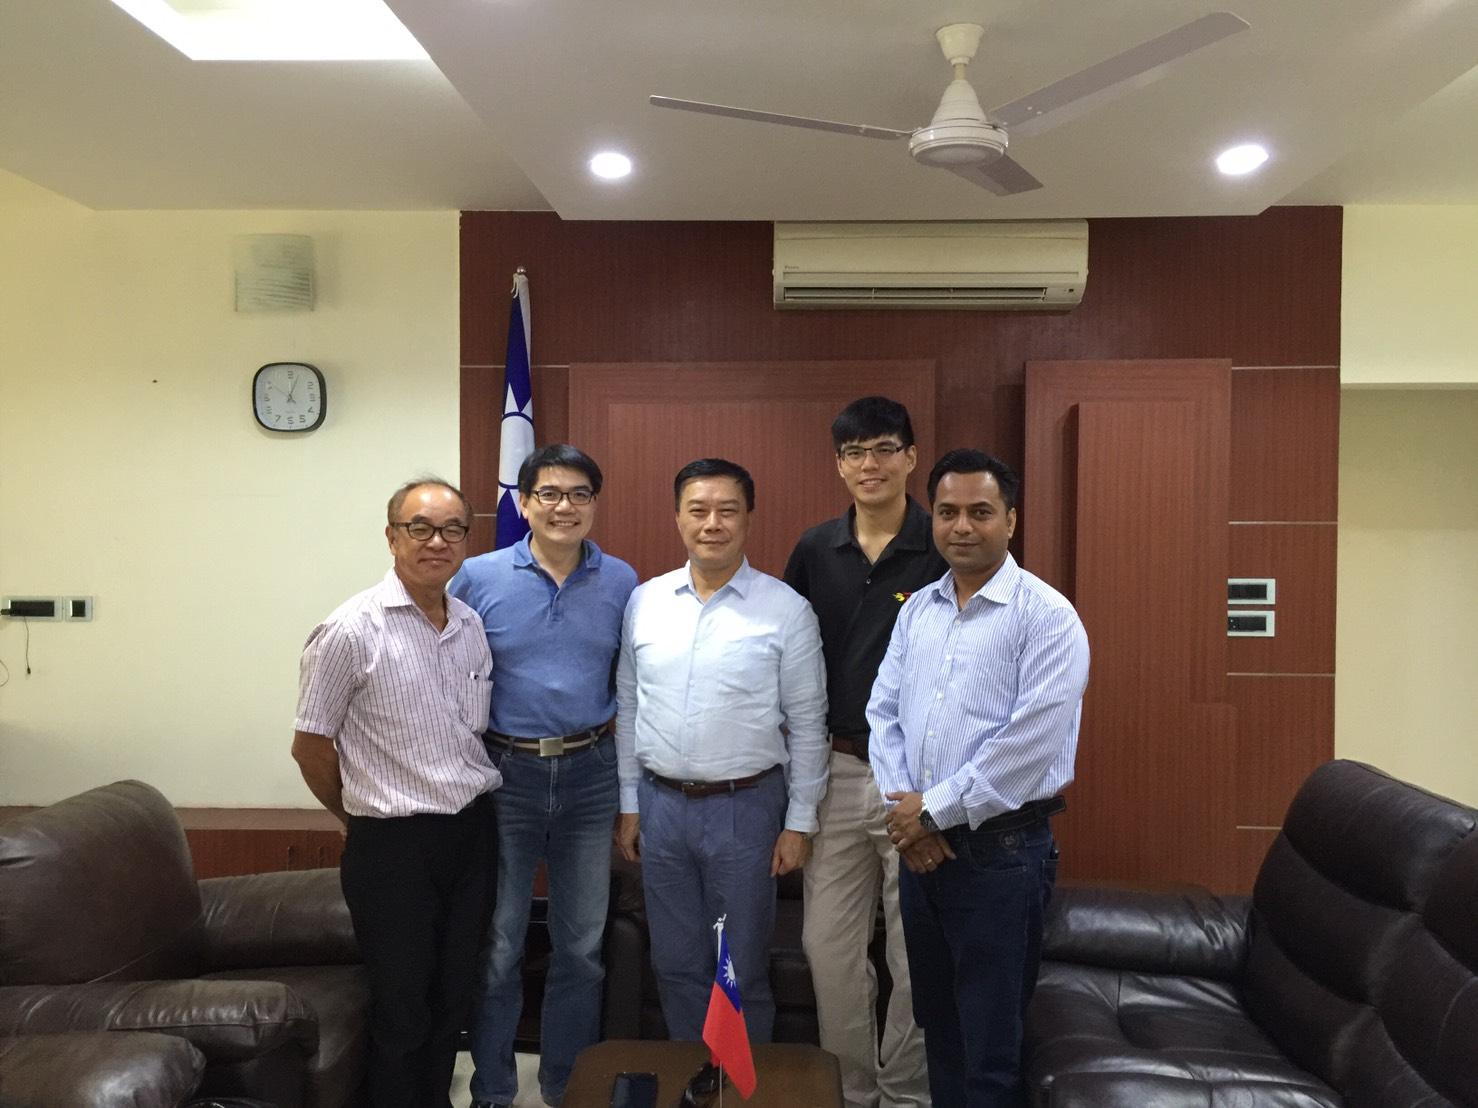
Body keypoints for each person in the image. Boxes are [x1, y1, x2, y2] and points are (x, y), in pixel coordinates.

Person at [867, 449, 1090, 1108]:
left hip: (1001, 855)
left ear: (1011, 520)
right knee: (940, 1030)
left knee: (991, 1048)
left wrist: (928, 813)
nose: (962, 526)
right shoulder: (919, 610)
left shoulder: (1047, 616)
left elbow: (1027, 746)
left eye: (980, 512)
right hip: (921, 851)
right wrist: (908, 815)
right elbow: (882, 713)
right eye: (947, 512)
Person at [292, 477, 498, 1108]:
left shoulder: (469, 624)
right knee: (402, 1009)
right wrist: (356, 814)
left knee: (452, 1000)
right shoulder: (350, 630)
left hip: (471, 834)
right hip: (392, 846)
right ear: (391, 537)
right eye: (420, 528)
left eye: (452, 529)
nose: (437, 542)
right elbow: (310, 747)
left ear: (466, 540)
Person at [614, 457, 828, 1045]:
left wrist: (799, 823)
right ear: (678, 517)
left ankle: (740, 1082)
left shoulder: (786, 610)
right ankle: (694, 1074)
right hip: (660, 807)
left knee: (740, 968)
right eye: (699, 510)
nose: (713, 523)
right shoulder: (646, 602)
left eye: (727, 510)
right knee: (674, 963)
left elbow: (809, 725)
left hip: (747, 809)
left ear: (748, 518)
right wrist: (630, 803)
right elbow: (628, 707)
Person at [450, 444, 637, 1108]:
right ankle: (493, 1090)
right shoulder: (477, 576)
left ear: (594, 504)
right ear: (524, 503)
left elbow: (630, 684)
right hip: (506, 775)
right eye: (549, 494)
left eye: (580, 494)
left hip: (591, 773)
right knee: (500, 946)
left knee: (581, 948)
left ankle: (566, 1086)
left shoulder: (622, 581)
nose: (565, 506)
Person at [782, 397, 941, 1108]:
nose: (869, 464)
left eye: (883, 449)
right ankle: (849, 1090)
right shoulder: (815, 550)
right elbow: (792, 662)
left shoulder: (944, 542)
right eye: (854, 452)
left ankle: (905, 1093)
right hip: (838, 770)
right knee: (828, 947)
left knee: (914, 951)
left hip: (920, 779)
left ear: (911, 457)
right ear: (839, 465)